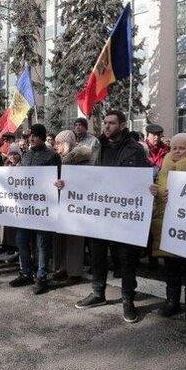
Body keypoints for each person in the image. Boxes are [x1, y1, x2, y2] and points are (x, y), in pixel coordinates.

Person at [59, 110, 149, 324]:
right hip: (99, 213)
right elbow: (76, 168)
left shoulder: (135, 150)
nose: (106, 126)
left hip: (124, 215)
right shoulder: (95, 146)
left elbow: (142, 179)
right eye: (105, 123)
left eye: (111, 123)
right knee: (98, 254)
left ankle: (128, 300)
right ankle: (98, 293)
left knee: (126, 259)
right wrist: (66, 182)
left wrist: (149, 187)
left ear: (122, 125)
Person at [148, 133, 186, 326]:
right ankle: (172, 302)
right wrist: (155, 191)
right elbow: (159, 191)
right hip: (166, 224)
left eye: (182, 148)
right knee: (170, 268)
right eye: (174, 147)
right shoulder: (164, 168)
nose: (177, 151)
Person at [9, 124, 62, 294]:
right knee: (21, 240)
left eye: (34, 136)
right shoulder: (26, 156)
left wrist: (58, 184)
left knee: (42, 244)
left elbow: (58, 178)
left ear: (41, 136)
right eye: (29, 136)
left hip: (43, 208)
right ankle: (26, 272)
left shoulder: (52, 156)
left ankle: (41, 277)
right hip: (26, 208)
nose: (31, 139)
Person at [51, 130, 90, 285]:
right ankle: (62, 267)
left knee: (75, 238)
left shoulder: (81, 160)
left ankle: (74, 271)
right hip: (59, 202)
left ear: (67, 143)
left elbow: (85, 181)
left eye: (59, 143)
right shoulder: (59, 158)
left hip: (75, 203)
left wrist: (66, 183)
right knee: (59, 237)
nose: (55, 146)